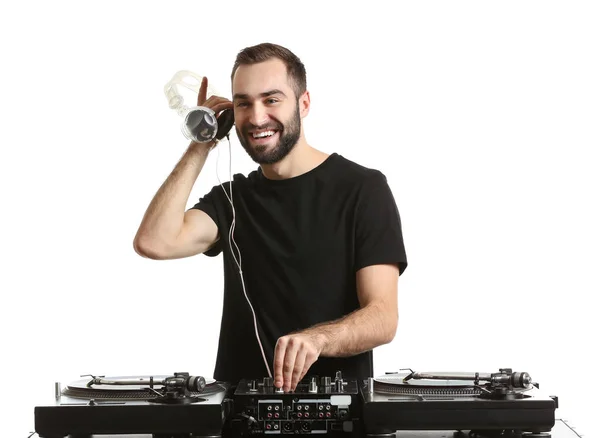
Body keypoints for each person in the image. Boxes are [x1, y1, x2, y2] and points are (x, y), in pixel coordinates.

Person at [133, 43, 407, 393]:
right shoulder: (231, 199)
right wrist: (202, 142)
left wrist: (318, 339)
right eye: (244, 103)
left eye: (272, 99)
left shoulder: (363, 189)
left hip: (340, 416)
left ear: (304, 103)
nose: (257, 117)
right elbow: (154, 241)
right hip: (239, 418)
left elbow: (383, 317)